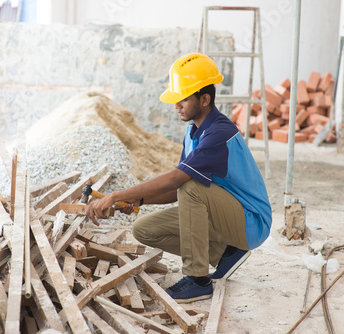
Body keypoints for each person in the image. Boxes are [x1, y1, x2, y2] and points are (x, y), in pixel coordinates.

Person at [86, 52, 272, 303]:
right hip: (225, 214)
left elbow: (178, 181)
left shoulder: (219, 133)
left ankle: (198, 280)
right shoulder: (192, 132)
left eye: (182, 99)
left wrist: (115, 196)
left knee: (191, 186)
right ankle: (226, 253)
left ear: (205, 99)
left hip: (251, 221)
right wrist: (139, 201)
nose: (176, 106)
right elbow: (177, 188)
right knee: (145, 229)